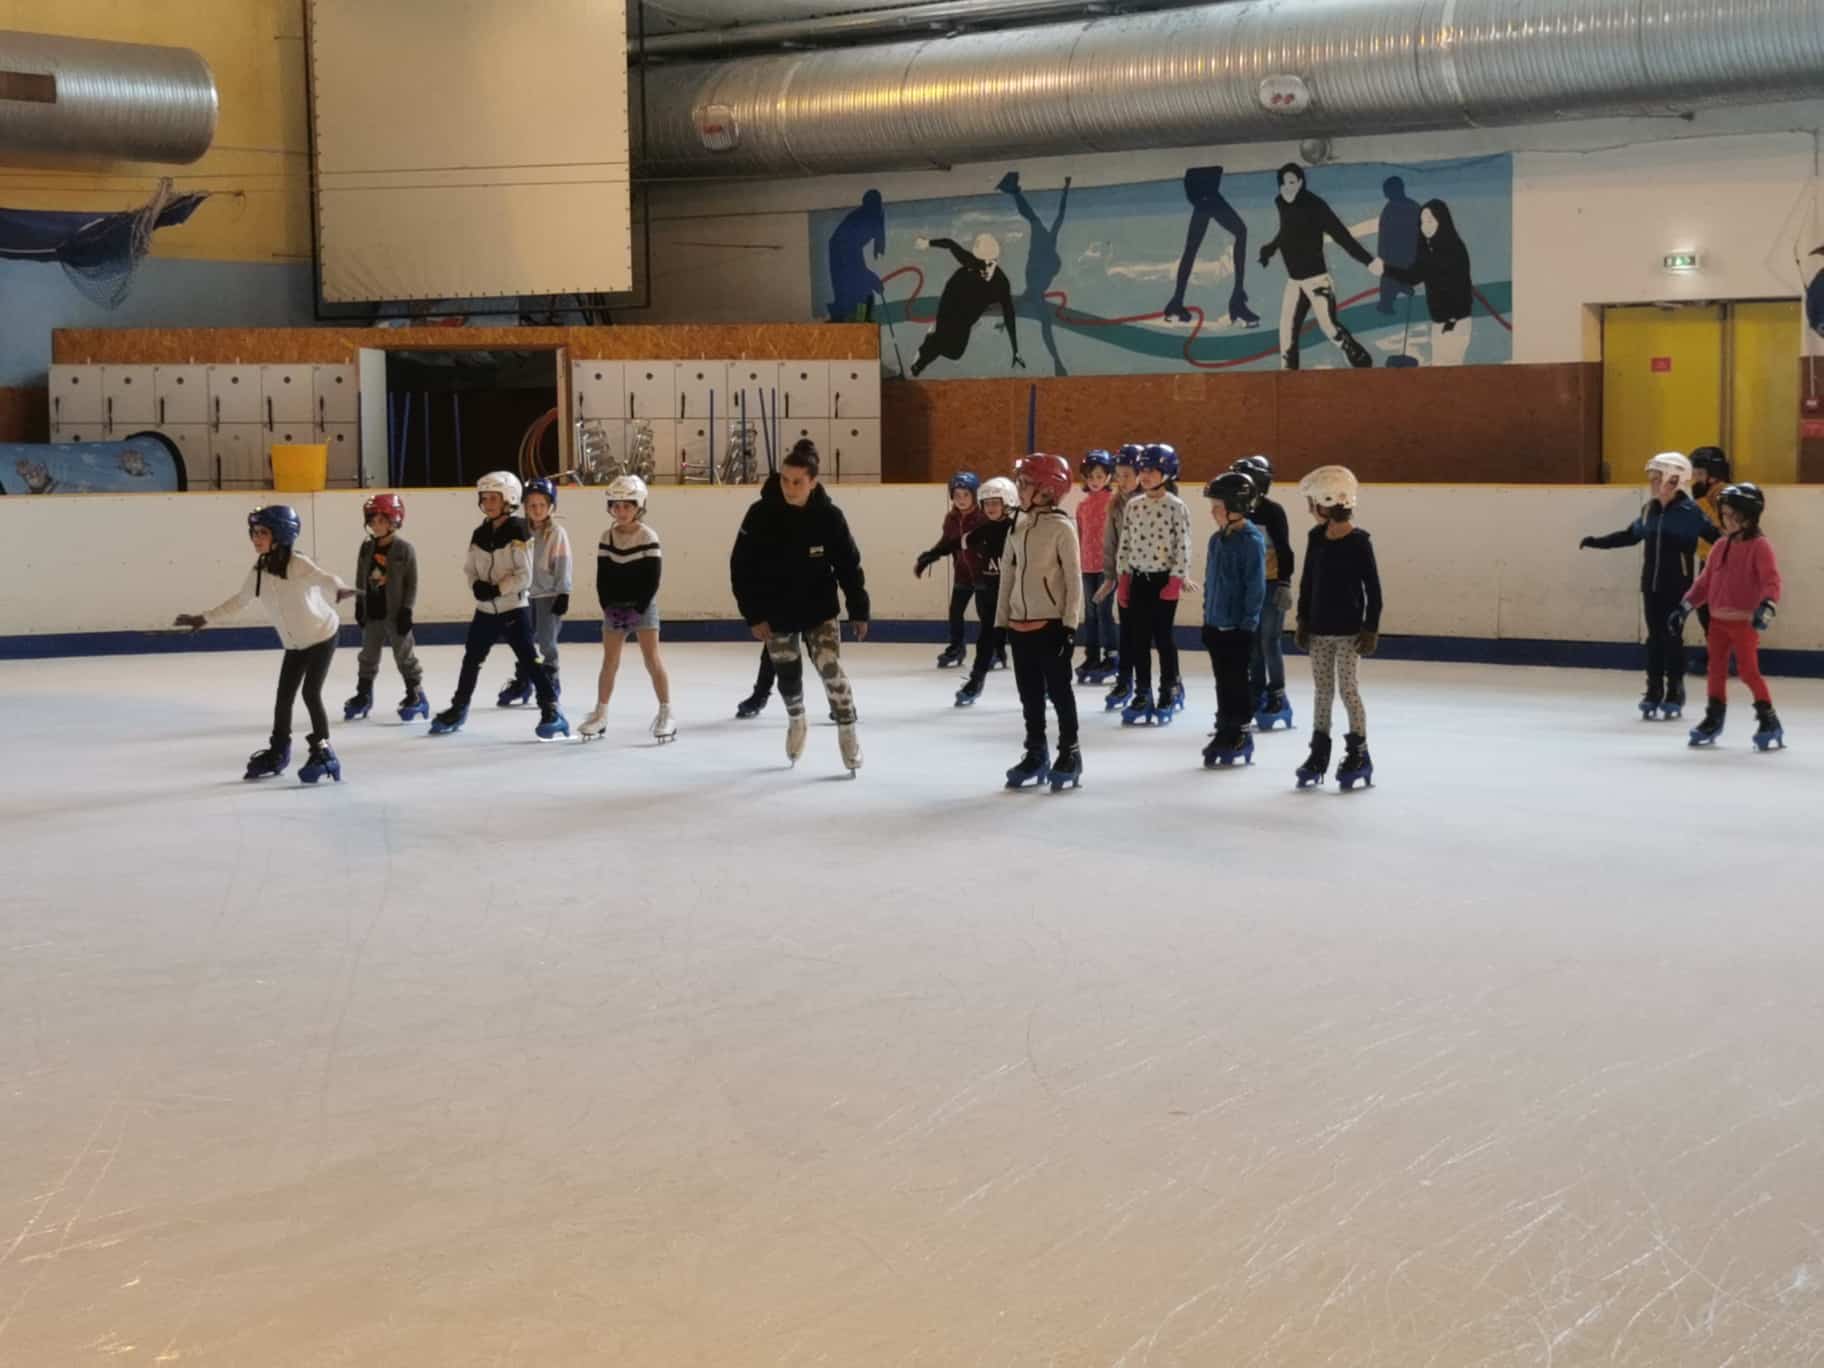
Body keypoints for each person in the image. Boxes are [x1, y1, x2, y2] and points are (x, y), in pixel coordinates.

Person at [172, 504, 355, 783]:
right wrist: (203, 618)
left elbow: (325, 577)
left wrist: (339, 588)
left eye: (262, 532)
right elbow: (240, 601)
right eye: (254, 532)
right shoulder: (260, 569)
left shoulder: (298, 563)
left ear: (281, 534)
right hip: (294, 645)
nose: (256, 538)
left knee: (310, 693)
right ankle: (279, 751)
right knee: (283, 700)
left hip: (321, 636)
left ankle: (324, 752)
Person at [730, 439, 870, 774]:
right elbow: (740, 566)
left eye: (798, 482)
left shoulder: (829, 517)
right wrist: (754, 614)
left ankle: (848, 730)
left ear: (813, 482)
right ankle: (797, 721)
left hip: (819, 609)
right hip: (776, 612)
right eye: (785, 480)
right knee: (787, 676)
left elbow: (849, 566)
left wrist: (859, 609)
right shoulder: (760, 514)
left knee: (830, 669)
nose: (790, 487)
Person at [429, 471, 570, 740]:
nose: (489, 503)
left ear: (510, 499)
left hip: (513, 609)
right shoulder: (479, 533)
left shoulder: (519, 530)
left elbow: (524, 575)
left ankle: (552, 709)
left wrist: (498, 588)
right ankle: (459, 708)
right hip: (485, 611)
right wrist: (476, 587)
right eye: (485, 498)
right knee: (471, 660)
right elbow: (470, 568)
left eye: (494, 498)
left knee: (530, 660)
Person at [1579, 453, 1719, 720]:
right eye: (1652, 479)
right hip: (1651, 586)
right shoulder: (1649, 510)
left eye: (1658, 479)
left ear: (1675, 480)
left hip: (1679, 586)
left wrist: (1740, 553)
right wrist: (1598, 541)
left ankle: (1674, 691)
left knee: (1672, 637)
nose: (1653, 484)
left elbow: (1717, 539)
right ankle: (1654, 689)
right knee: (1655, 639)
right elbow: (1631, 536)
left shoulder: (1691, 513)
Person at [1672, 483, 1784, 750]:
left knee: (1748, 671)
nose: (1728, 521)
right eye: (1725, 515)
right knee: (1716, 670)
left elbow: (1771, 581)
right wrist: (1684, 606)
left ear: (1750, 517)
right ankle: (1714, 717)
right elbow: (1704, 583)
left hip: (1744, 622)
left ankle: (1769, 718)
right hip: (1718, 621)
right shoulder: (1720, 545)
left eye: (1735, 516)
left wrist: (1767, 606)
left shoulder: (1760, 546)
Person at [998, 454, 1085, 791]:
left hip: (1050, 625)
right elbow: (1008, 574)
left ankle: (1070, 752)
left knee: (1060, 693)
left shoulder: (1061, 528)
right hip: (1019, 625)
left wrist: (1069, 625)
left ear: (1048, 489)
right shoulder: (1017, 526)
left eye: (1025, 484)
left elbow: (1074, 580)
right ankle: (1036, 752)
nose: (1018, 490)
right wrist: (999, 622)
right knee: (1029, 695)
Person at [1294, 465, 1382, 791]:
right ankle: (1318, 755)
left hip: (1348, 633)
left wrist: (1370, 628)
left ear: (1328, 502)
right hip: (1319, 631)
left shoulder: (1359, 542)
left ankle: (1359, 753)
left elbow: (1373, 589)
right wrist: (1303, 620)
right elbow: (1307, 582)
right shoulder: (1315, 538)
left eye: (1312, 503)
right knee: (1322, 692)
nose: (1309, 509)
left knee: (1348, 690)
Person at [579, 476, 674, 744]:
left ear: (639, 506)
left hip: (642, 607)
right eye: (616, 506)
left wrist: (638, 610)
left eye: (627, 506)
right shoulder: (606, 537)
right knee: (609, 662)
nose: (621, 512)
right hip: (614, 608)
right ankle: (601, 714)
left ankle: (666, 713)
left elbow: (652, 580)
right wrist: (608, 608)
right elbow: (603, 578)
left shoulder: (648, 537)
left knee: (652, 659)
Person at [1259, 164, 1376, 371]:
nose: (1288, 188)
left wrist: (1369, 261)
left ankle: (1361, 361)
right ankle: (1288, 380)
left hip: (1316, 281)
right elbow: (1287, 231)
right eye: (1283, 184)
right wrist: (1271, 248)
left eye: (1292, 183)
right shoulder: (1281, 203)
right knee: (1286, 334)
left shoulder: (1315, 206)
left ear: (1301, 183)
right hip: (1295, 281)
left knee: (1330, 328)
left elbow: (1342, 236)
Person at [1114, 442, 1192, 726]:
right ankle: (1143, 691)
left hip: (1163, 581)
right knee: (1138, 639)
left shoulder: (1176, 507)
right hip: (1138, 579)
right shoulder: (1134, 506)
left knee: (1163, 637)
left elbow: (1184, 545)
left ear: (1167, 472)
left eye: (1152, 470)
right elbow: (1125, 544)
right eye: (1142, 470)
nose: (1145, 476)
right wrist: (1123, 578)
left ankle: (1169, 687)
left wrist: (1176, 578)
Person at [1199, 472, 1268, 769]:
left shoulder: (1251, 542)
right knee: (1222, 681)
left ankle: (1240, 730)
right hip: (1217, 624)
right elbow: (1210, 581)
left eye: (1217, 506)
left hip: (1239, 627)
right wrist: (1207, 617)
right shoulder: (1217, 540)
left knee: (1237, 682)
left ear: (1235, 506)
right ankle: (1225, 727)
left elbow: (1255, 586)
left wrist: (1248, 624)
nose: (1212, 512)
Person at [343, 492, 427, 724]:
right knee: (367, 656)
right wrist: (360, 603)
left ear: (394, 520)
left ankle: (416, 694)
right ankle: (363, 695)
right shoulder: (366, 548)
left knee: (404, 654)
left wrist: (407, 609)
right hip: (373, 612)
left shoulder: (404, 549)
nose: (376, 525)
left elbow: (412, 582)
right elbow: (361, 576)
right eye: (372, 521)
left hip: (395, 613)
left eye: (381, 520)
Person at [1230, 455, 1295, 730]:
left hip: (1270, 584)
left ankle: (1277, 693)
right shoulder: (1236, 512)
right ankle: (1256, 691)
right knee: (1252, 644)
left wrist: (1284, 583)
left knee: (1269, 641)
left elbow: (1284, 549)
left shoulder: (1273, 512)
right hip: (1247, 587)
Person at [498, 477, 572, 706]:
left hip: (549, 595)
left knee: (547, 642)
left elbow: (563, 564)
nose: (537, 510)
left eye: (541, 505)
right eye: (532, 505)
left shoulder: (557, 533)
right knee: (523, 641)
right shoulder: (519, 530)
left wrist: (564, 592)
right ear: (525, 507)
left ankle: (551, 677)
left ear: (550, 506)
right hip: (523, 596)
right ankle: (524, 681)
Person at [1374, 199, 1473, 366]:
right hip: (1443, 324)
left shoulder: (1451, 249)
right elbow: (1415, 275)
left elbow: (1416, 274)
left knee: (1446, 372)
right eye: (1422, 222)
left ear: (1441, 220)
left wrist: (1385, 269)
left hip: (1452, 325)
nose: (1424, 226)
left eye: (1430, 220)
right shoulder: (1433, 249)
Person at [910, 233, 1022, 376]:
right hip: (953, 295)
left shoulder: (1001, 283)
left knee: (955, 353)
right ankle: (920, 363)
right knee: (942, 337)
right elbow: (949, 243)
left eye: (988, 264)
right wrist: (927, 243)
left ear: (995, 260)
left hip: (968, 312)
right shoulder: (972, 261)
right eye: (980, 263)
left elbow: (1010, 315)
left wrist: (1016, 350)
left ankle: (932, 337)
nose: (983, 269)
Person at [1162, 165, 1259, 327]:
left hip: (1203, 187)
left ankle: (1176, 302)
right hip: (1205, 188)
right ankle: (1237, 301)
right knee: (1240, 232)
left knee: (1193, 246)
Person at [954, 476, 1017, 708]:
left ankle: (1045, 685)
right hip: (990, 593)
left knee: (1026, 644)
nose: (990, 508)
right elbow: (964, 542)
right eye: (987, 503)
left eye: (995, 503)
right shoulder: (984, 529)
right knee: (985, 640)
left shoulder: (1015, 529)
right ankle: (976, 680)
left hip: (1014, 594)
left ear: (1008, 502)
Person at [914, 472, 985, 668]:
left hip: (983, 574)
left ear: (975, 496)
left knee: (985, 614)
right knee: (955, 612)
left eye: (966, 495)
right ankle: (957, 647)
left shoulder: (982, 517)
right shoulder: (951, 518)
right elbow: (947, 543)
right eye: (957, 495)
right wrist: (930, 556)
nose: (961, 499)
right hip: (962, 573)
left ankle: (996, 650)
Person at [1095, 443, 1144, 711]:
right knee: (1126, 632)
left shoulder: (1154, 503)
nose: (1121, 480)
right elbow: (1110, 542)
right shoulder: (1116, 505)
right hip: (1126, 577)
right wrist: (1110, 576)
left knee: (1150, 634)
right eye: (1118, 474)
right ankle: (1125, 680)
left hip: (1151, 578)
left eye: (1127, 474)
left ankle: (1170, 682)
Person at [1073, 450, 1119, 684]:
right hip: (1087, 566)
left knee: (1103, 612)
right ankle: (1091, 656)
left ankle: (1112, 655)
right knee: (1090, 614)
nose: (1095, 480)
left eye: (1100, 476)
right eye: (1091, 476)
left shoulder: (1113, 503)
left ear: (1109, 477)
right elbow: (1080, 535)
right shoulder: (1082, 506)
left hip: (1107, 568)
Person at [827, 189, 886, 323]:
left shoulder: (872, 215)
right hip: (840, 255)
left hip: (844, 253)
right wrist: (872, 279)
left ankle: (860, 323)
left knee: (863, 295)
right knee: (860, 296)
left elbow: (881, 221)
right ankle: (857, 324)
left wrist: (870, 278)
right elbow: (854, 266)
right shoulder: (856, 225)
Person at [1375, 176, 1421, 315]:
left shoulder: (1390, 210)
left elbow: (1383, 237)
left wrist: (1382, 256)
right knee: (1392, 277)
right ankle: (1392, 296)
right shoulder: (1413, 206)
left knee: (1389, 278)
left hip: (1400, 255)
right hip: (1406, 255)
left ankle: (1387, 303)